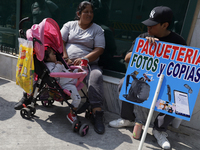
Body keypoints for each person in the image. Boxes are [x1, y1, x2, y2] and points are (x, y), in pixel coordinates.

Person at [109, 6, 186, 149]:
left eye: (153, 25)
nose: (148, 28)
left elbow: (184, 69)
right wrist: (144, 48)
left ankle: (160, 130)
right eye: (148, 24)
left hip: (166, 81)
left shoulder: (179, 41)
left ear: (165, 25)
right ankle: (128, 119)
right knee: (123, 84)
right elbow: (127, 58)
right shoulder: (143, 37)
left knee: (179, 97)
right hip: (145, 80)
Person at [60, 1, 105, 134]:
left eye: (91, 12)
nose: (89, 14)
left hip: (88, 65)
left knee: (97, 76)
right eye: (86, 11)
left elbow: (99, 49)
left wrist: (85, 59)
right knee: (47, 69)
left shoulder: (97, 29)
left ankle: (97, 114)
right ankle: (31, 95)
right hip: (67, 63)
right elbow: (60, 41)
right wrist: (65, 57)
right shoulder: (69, 25)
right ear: (79, 14)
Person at [44, 46, 82, 124]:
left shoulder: (57, 63)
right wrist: (58, 65)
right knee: (77, 99)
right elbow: (53, 74)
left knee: (81, 72)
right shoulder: (49, 65)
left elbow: (67, 72)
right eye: (52, 54)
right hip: (66, 84)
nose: (55, 55)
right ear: (47, 58)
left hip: (71, 80)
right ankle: (72, 114)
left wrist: (76, 70)